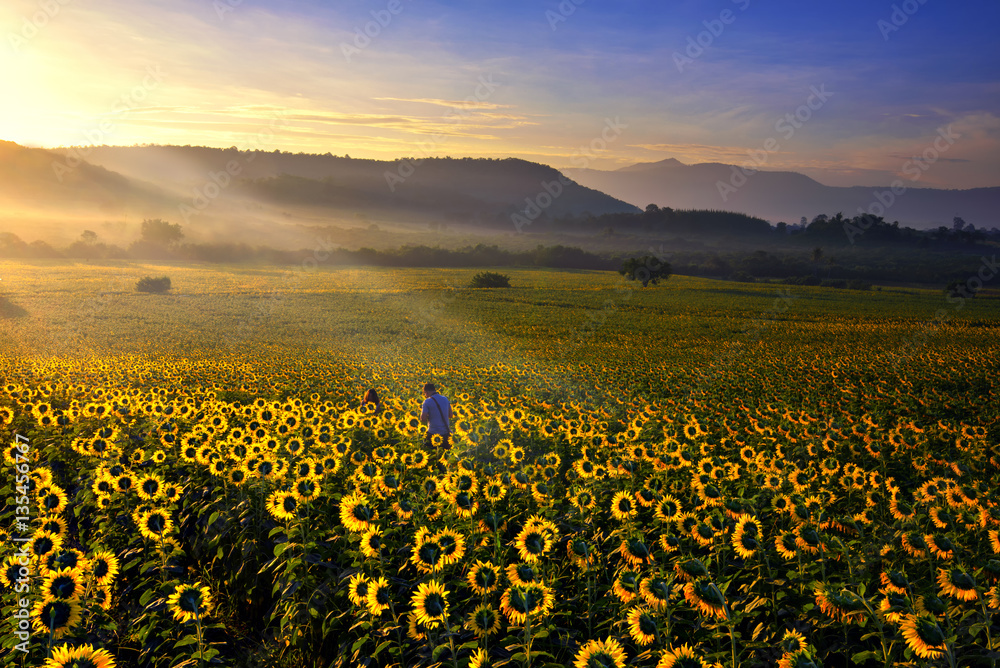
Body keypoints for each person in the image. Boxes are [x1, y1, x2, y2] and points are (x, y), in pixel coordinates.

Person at [419, 383, 452, 449]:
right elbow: (450, 415)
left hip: (433, 433)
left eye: (425, 393)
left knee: (431, 454)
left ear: (427, 392)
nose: (425, 395)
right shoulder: (445, 399)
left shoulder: (427, 401)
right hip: (445, 434)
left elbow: (423, 419)